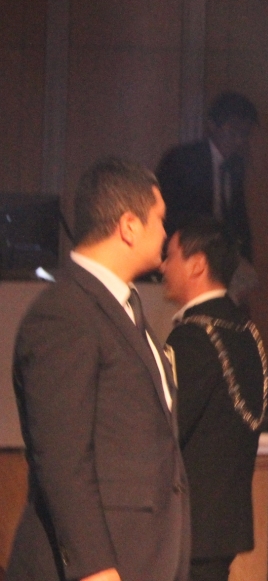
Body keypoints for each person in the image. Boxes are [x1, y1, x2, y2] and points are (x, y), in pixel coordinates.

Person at [8, 157, 188, 581]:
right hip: (100, 567)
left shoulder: (126, 308)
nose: (166, 233)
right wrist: (95, 567)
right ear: (129, 226)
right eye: (160, 219)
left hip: (144, 557)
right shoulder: (65, 312)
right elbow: (62, 456)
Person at [162, 217, 267, 581]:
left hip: (189, 527)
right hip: (224, 524)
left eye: (170, 256)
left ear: (197, 264)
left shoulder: (192, 338)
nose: (163, 266)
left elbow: (166, 428)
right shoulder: (247, 332)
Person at [156, 91, 258, 265]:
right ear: (212, 125)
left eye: (245, 133)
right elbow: (169, 213)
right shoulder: (183, 160)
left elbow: (238, 218)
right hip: (186, 252)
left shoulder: (236, 166)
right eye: (233, 131)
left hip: (221, 258)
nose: (239, 141)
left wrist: (246, 259)